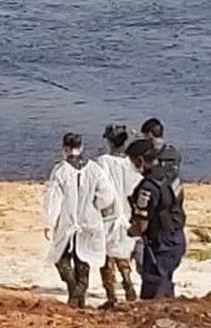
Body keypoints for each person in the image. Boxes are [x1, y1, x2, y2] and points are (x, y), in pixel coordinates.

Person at [43, 133, 118, 309]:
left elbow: (54, 198)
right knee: (82, 261)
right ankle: (79, 297)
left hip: (67, 222)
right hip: (90, 221)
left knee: (61, 259)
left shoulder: (60, 170)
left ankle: (74, 290)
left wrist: (49, 221)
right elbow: (107, 195)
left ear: (65, 149)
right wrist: (96, 205)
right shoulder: (94, 169)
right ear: (81, 147)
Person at [127, 138, 187, 300]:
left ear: (139, 160)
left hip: (160, 242)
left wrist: (130, 232)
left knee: (154, 289)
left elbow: (141, 225)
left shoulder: (147, 188)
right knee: (166, 281)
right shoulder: (171, 175)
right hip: (178, 237)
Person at [92, 123, 144, 307]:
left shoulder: (102, 162)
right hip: (128, 212)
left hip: (108, 213)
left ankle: (111, 295)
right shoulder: (132, 163)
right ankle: (128, 282)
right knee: (123, 250)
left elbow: (99, 187)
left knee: (105, 256)